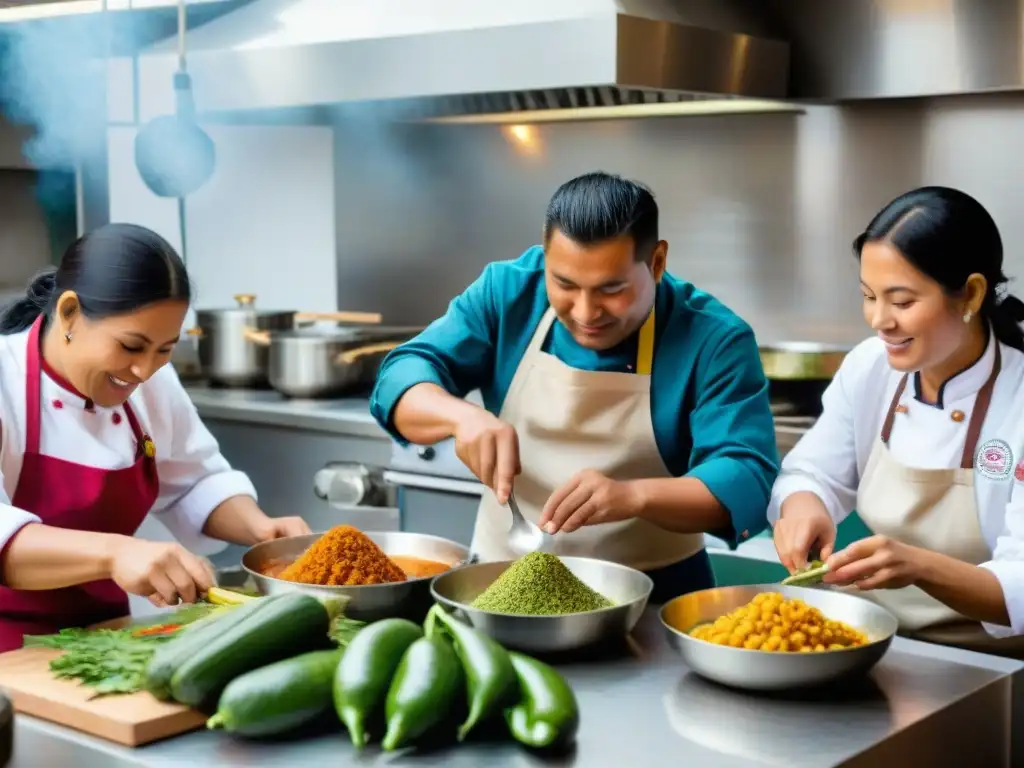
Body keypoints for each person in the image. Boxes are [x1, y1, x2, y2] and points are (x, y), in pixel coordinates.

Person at [370, 171, 779, 603]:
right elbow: (403, 374)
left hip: (657, 595)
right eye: (564, 284)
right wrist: (461, 416)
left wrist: (633, 495)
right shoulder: (508, 292)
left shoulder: (713, 338)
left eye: (612, 289)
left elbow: (745, 478)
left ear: (657, 262)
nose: (586, 312)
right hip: (501, 582)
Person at [0, 223, 311, 652]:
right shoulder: (4, 381)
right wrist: (117, 554)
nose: (145, 371)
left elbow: (195, 482)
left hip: (101, 638)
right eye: (131, 346)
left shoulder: (149, 383)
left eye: (164, 349)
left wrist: (260, 528)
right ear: (70, 312)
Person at [769, 186, 1024, 656]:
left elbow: (1021, 586)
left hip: (989, 666)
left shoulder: (1018, 399)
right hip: (867, 645)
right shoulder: (870, 366)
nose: (878, 320)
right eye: (869, 297)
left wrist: (920, 567)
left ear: (970, 293)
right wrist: (803, 505)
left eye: (902, 302)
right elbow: (813, 471)